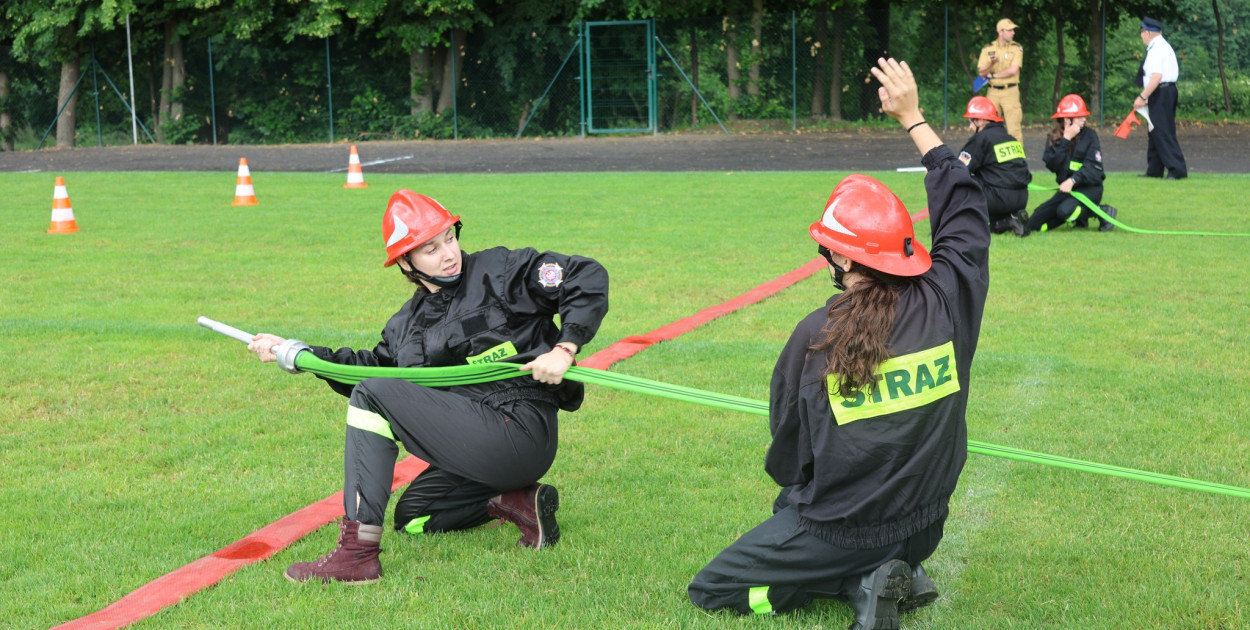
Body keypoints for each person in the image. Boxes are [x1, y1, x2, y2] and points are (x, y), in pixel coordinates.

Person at [688, 57, 989, 630]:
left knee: (713, 588)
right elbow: (967, 210)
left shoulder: (816, 336)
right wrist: (913, 117)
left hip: (845, 527)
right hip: (927, 523)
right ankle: (894, 566)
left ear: (843, 257)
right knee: (787, 511)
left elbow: (790, 458)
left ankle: (856, 577)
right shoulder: (949, 295)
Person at [247, 190, 609, 584]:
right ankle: (518, 501)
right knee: (416, 516)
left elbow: (583, 274)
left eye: (449, 238)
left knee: (370, 394)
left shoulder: (500, 270)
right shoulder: (405, 325)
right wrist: (300, 354)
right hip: (478, 450)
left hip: (521, 429)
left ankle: (357, 554)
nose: (449, 253)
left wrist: (565, 348)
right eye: (431, 249)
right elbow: (374, 370)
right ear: (406, 262)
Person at [1022, 94, 1116, 235]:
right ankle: (1080, 218)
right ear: (1067, 119)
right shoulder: (1054, 137)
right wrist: (1066, 139)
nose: (1084, 119)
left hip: (1089, 189)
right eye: (1079, 117)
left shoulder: (1090, 136)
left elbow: (1094, 169)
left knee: (1064, 211)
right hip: (1067, 191)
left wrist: (1073, 180)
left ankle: (1103, 212)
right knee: (1033, 223)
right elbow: (1052, 164)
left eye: (1084, 116)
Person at [959, 95, 1032, 236]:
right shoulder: (1010, 139)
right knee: (992, 227)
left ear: (979, 120)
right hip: (1021, 197)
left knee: (959, 180)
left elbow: (959, 169)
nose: (969, 127)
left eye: (971, 122)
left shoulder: (981, 138)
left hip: (998, 198)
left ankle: (957, 228)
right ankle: (1010, 220)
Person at [1134, 17, 1188, 180]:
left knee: (1163, 131)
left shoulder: (1157, 49)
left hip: (1161, 92)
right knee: (1155, 130)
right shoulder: (1160, 46)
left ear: (1148, 33)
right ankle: (1154, 169)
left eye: (1142, 32)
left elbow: (1156, 76)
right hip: (1163, 91)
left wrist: (1143, 96)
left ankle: (1177, 170)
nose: (1141, 36)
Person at [977, 19, 1025, 144]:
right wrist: (991, 63)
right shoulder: (988, 49)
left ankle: (1017, 161)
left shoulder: (1016, 48)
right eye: (1009, 30)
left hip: (1010, 91)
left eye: (1013, 30)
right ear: (1000, 32)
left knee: (1013, 129)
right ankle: (990, 158)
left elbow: (1013, 70)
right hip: (992, 92)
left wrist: (993, 75)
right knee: (988, 126)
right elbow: (981, 73)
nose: (1013, 33)